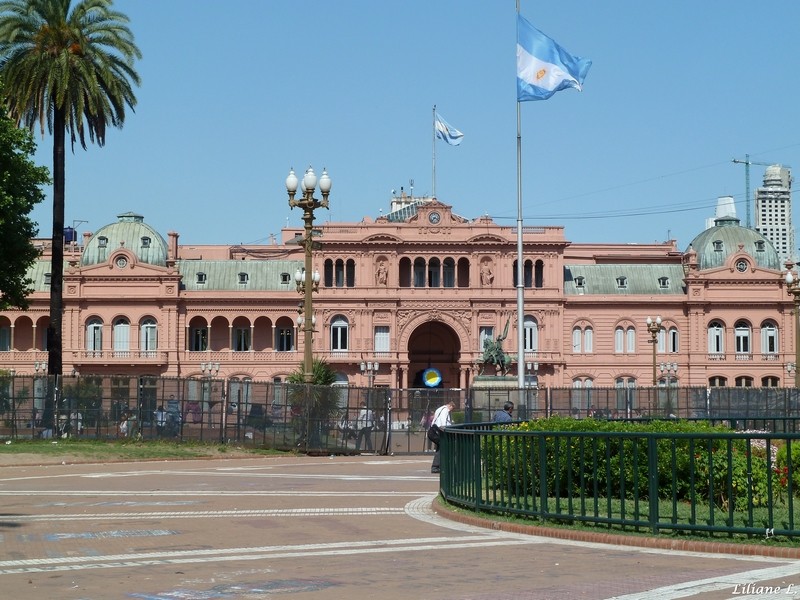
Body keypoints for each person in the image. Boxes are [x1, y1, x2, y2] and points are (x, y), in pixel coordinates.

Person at [430, 400, 455, 474]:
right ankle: (435, 466)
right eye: (451, 409)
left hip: (433, 430)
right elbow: (443, 421)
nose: (451, 411)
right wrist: (445, 431)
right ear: (450, 406)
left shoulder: (440, 409)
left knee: (440, 447)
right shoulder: (445, 410)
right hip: (437, 431)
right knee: (442, 447)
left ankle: (438, 466)